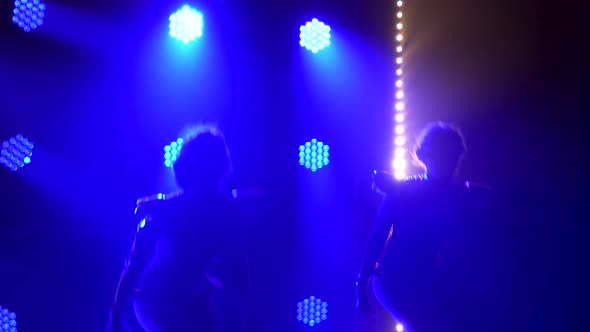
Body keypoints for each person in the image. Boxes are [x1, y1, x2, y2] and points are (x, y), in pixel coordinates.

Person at [108, 126, 251, 332]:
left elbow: (239, 272)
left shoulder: (226, 216)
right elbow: (133, 270)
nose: (212, 172)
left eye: (216, 165)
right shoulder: (162, 213)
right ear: (190, 169)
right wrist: (115, 324)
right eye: (205, 165)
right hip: (155, 298)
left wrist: (249, 316)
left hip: (190, 297)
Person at [357, 122, 496, 332]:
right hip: (393, 279)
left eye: (453, 154)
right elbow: (378, 235)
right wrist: (362, 282)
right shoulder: (401, 190)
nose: (449, 161)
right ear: (426, 156)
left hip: (427, 279)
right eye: (443, 154)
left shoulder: (459, 195)